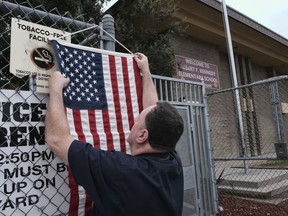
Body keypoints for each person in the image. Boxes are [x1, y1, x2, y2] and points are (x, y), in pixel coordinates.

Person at [45, 52, 184, 216]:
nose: (134, 122)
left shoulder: (120, 170)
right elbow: (153, 108)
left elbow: (56, 140)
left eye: (137, 120)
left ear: (142, 136)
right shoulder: (172, 162)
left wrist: (54, 88)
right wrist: (145, 71)